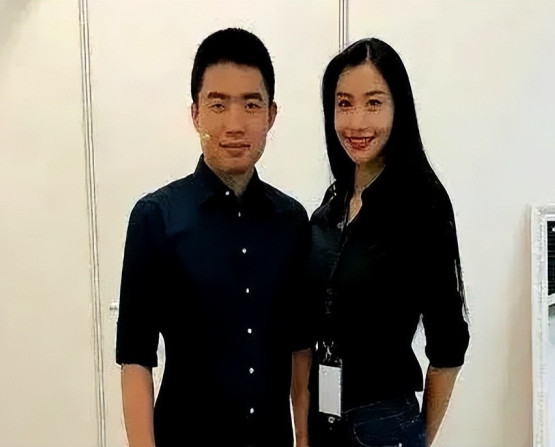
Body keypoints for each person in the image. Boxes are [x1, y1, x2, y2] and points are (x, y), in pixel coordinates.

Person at [115, 28, 313, 447]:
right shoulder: (155, 218)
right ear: (196, 114)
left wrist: (304, 439)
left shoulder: (292, 221)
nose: (234, 125)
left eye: (251, 105)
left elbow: (300, 350)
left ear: (271, 115)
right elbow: (135, 359)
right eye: (218, 104)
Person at [307, 38, 470, 447]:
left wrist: (418, 437)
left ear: (399, 109)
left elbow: (449, 344)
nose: (357, 122)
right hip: (323, 415)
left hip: (383, 423)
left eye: (374, 103)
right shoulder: (333, 202)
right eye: (344, 104)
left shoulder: (422, 203)